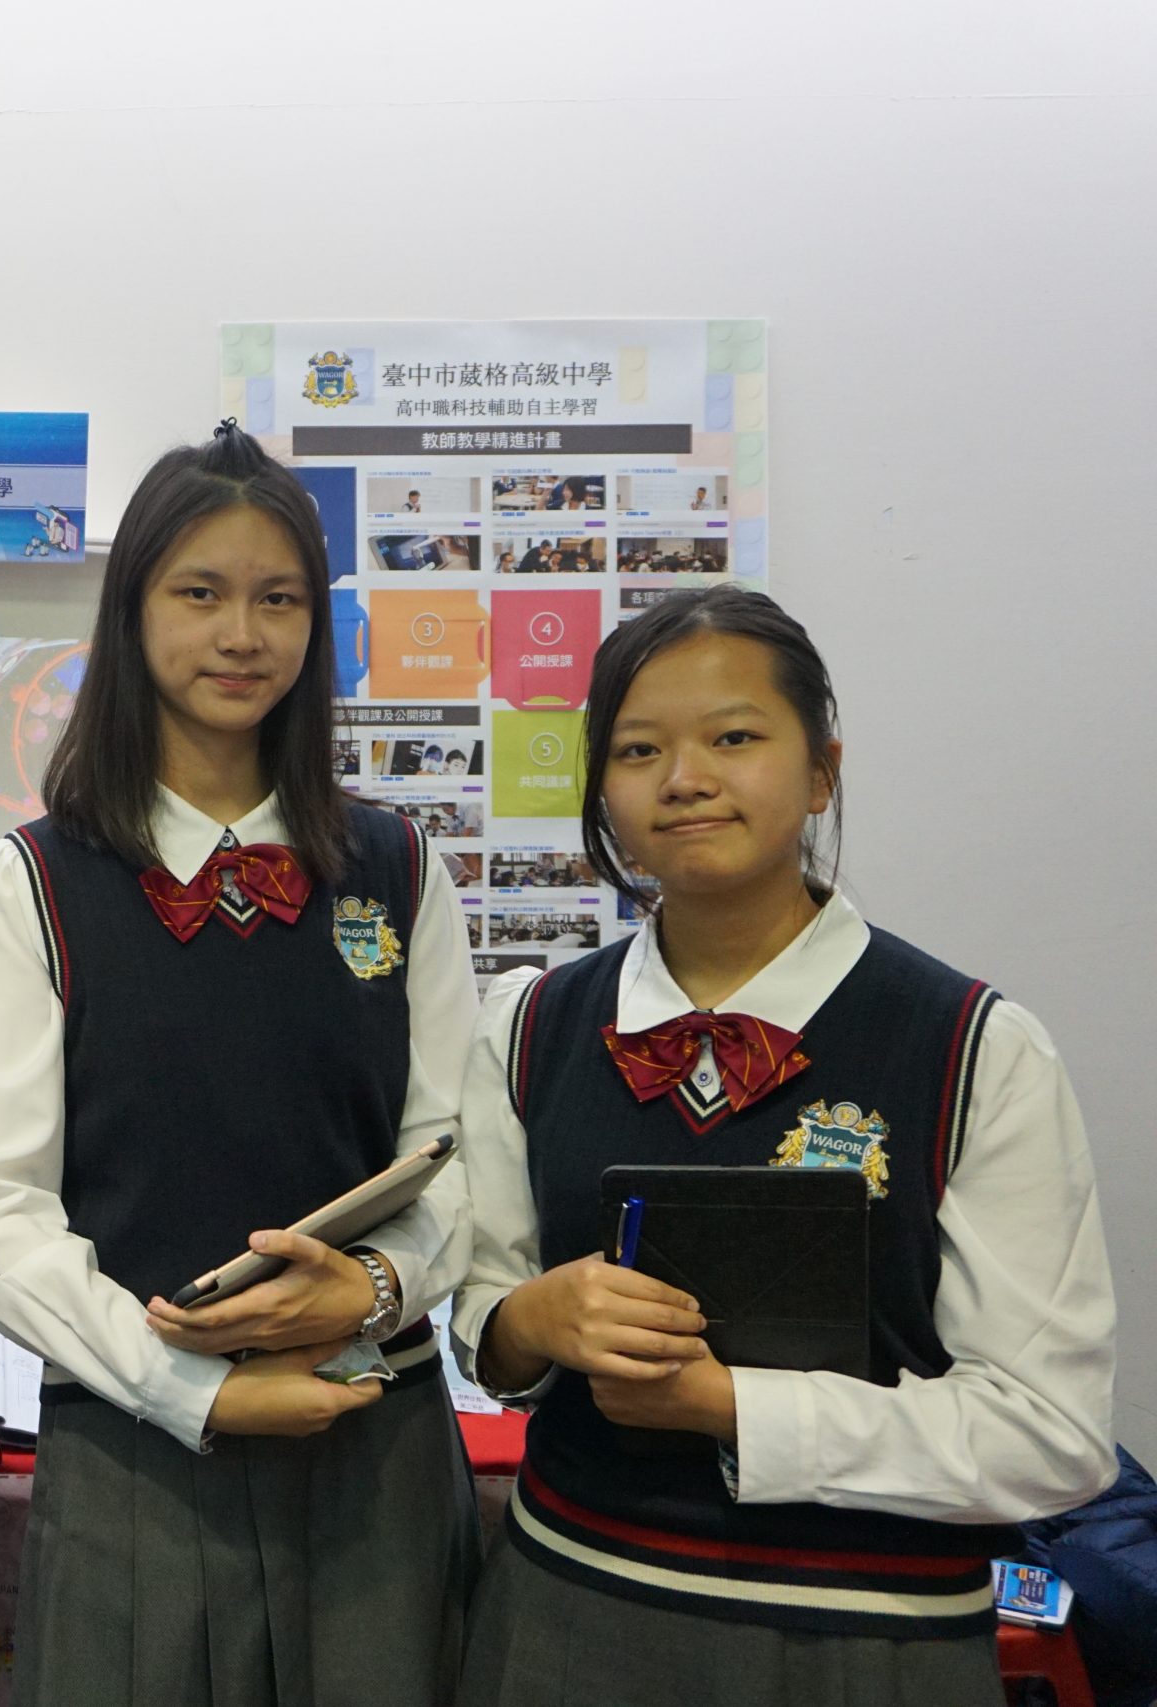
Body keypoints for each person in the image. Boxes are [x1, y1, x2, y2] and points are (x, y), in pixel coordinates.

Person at [452, 586, 1117, 1707]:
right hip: (562, 1613)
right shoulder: (529, 1025)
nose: (684, 778)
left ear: (820, 773)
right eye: (638, 749)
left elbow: (1050, 1438)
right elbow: (483, 1311)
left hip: (873, 1644)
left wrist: (734, 1408)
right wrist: (528, 1321)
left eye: (734, 738)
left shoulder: (970, 1046)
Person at [0, 423, 482, 1707]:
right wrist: (191, 1390)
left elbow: (454, 1157)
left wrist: (374, 1289)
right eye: (200, 593)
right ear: (132, 614)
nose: (242, 635)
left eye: (278, 600)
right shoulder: (36, 880)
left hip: (375, 1437)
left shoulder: (398, 867)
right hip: (136, 1450)